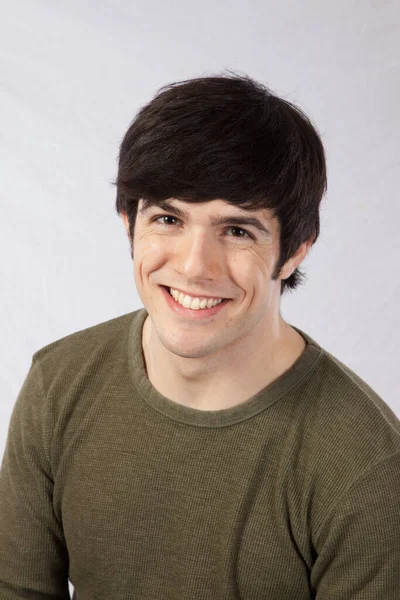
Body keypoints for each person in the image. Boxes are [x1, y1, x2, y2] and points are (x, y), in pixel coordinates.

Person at [0, 72, 399, 600]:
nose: (193, 267)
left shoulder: (366, 465)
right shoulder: (58, 385)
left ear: (297, 249)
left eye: (236, 230)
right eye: (168, 219)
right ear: (128, 223)